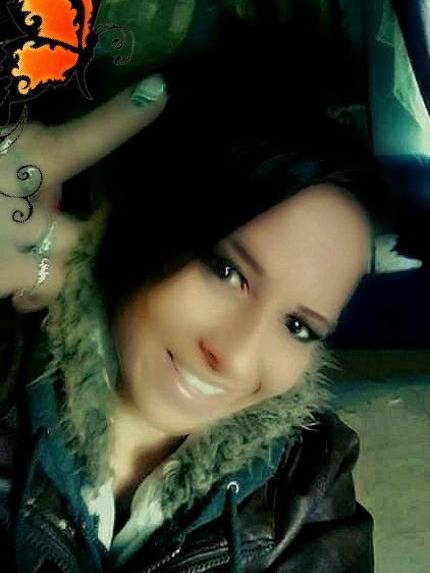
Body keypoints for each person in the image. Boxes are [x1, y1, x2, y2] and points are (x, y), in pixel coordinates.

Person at [0, 75, 386, 572]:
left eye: (298, 327)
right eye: (226, 271)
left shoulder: (308, 484)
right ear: (145, 219)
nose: (236, 358)